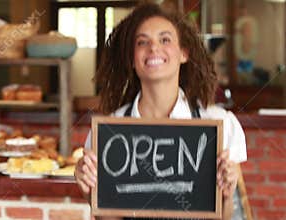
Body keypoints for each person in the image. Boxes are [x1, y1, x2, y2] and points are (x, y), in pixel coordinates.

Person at [74, 2, 247, 220]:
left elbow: (229, 216)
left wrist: (226, 194)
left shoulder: (220, 124)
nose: (153, 48)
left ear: (184, 53)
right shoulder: (107, 133)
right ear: (132, 59)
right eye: (142, 42)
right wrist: (91, 194)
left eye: (165, 39)